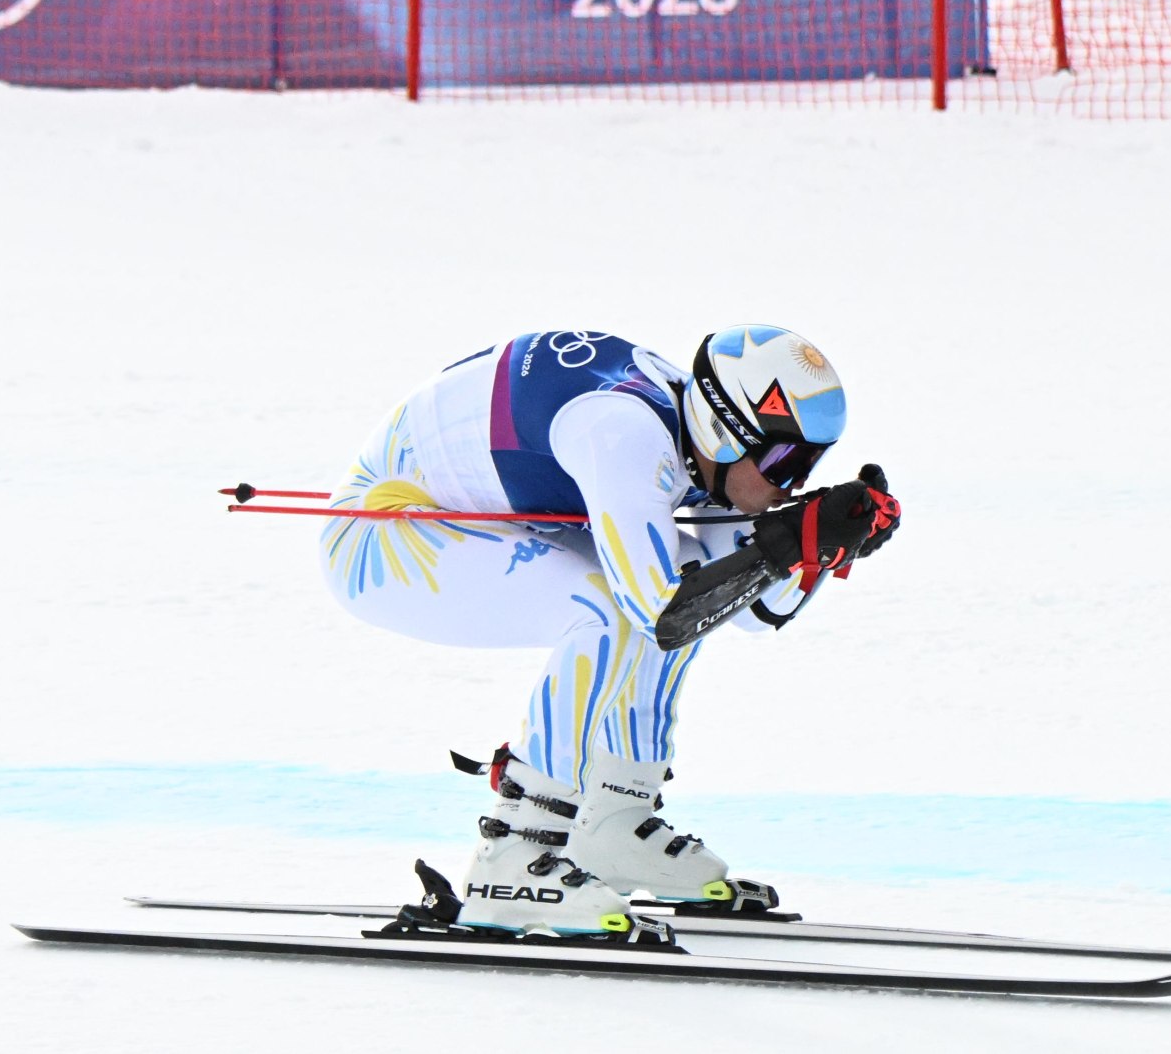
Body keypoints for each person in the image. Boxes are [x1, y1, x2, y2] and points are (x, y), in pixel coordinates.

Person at [318, 327, 900, 938]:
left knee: (673, 574)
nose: (793, 484)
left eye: (812, 463)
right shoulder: (625, 435)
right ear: (726, 431)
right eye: (785, 462)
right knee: (604, 610)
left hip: (469, 514)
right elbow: (664, 614)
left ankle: (613, 820)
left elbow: (754, 610)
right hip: (380, 533)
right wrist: (786, 545)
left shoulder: (698, 437)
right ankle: (516, 852)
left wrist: (823, 542)